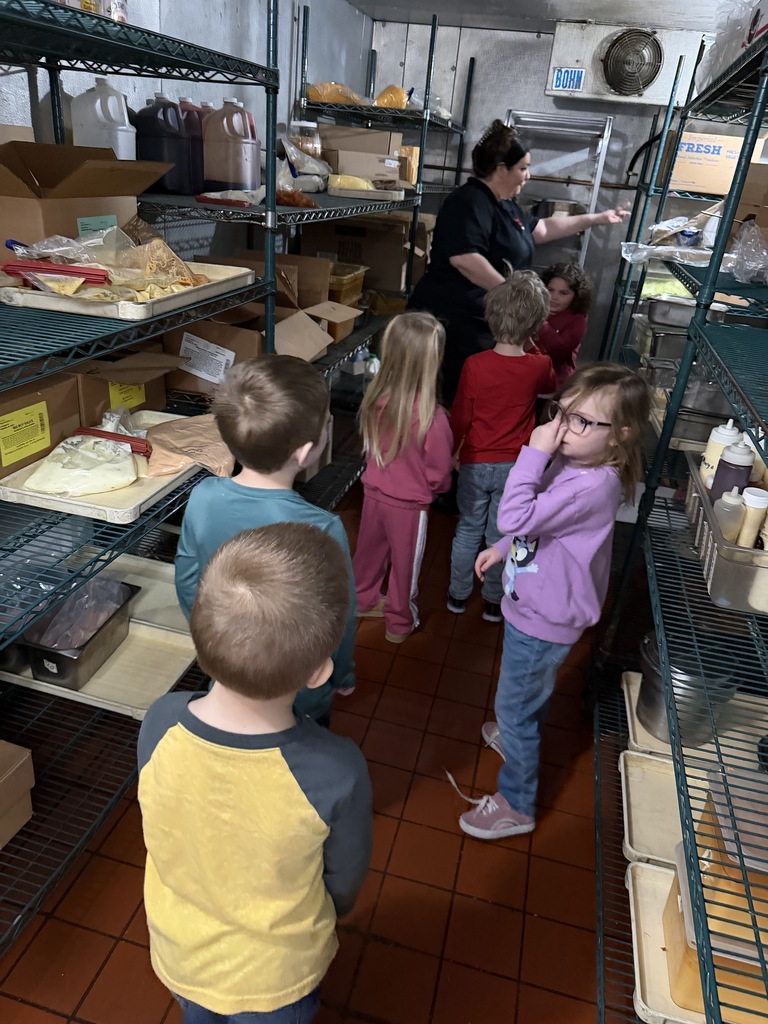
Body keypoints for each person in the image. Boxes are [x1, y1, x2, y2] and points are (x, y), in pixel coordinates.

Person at [139, 523, 372, 1023]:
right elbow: (344, 882)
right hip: (276, 977)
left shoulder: (159, 720)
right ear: (318, 673)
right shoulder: (335, 769)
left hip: (184, 953)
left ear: (201, 639)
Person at [453, 364, 649, 840]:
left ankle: (517, 804)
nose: (561, 428)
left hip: (546, 617)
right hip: (535, 603)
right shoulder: (575, 462)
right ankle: (517, 725)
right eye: (561, 412)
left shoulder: (589, 484)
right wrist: (501, 549)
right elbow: (534, 523)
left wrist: (531, 454)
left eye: (581, 421)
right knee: (524, 690)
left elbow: (516, 510)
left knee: (515, 701)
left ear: (619, 435)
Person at [175, 355, 357, 723]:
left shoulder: (204, 497)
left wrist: (214, 642)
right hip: (299, 687)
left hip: (228, 669)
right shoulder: (322, 528)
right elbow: (341, 617)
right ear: (306, 452)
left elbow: (187, 577)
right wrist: (341, 672)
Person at [408, 118, 629, 402]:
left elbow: (544, 229)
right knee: (452, 399)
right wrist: (513, 297)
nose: (527, 176)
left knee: (473, 402)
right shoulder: (469, 202)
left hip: (485, 324)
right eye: (523, 168)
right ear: (501, 169)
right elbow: (465, 259)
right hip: (456, 326)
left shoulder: (505, 204)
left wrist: (597, 218)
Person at [447, 271, 558, 624]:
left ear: (491, 317)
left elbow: (461, 416)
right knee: (502, 533)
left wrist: (453, 451)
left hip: (475, 460)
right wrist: (534, 345)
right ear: (538, 323)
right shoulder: (539, 364)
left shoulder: (474, 365)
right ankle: (494, 601)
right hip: (516, 466)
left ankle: (457, 595)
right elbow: (551, 388)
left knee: (468, 527)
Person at [353, 312, 454, 644]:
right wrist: (442, 480)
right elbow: (438, 477)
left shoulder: (375, 402)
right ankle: (398, 622)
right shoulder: (434, 419)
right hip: (409, 508)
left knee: (367, 554)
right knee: (405, 566)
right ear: (434, 360)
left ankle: (362, 599)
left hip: (373, 495)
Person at [536, 262, 593, 384]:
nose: (554, 297)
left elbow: (559, 351)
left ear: (576, 296)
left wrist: (539, 322)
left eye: (563, 293)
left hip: (556, 380)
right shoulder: (535, 306)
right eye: (550, 290)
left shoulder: (578, 318)